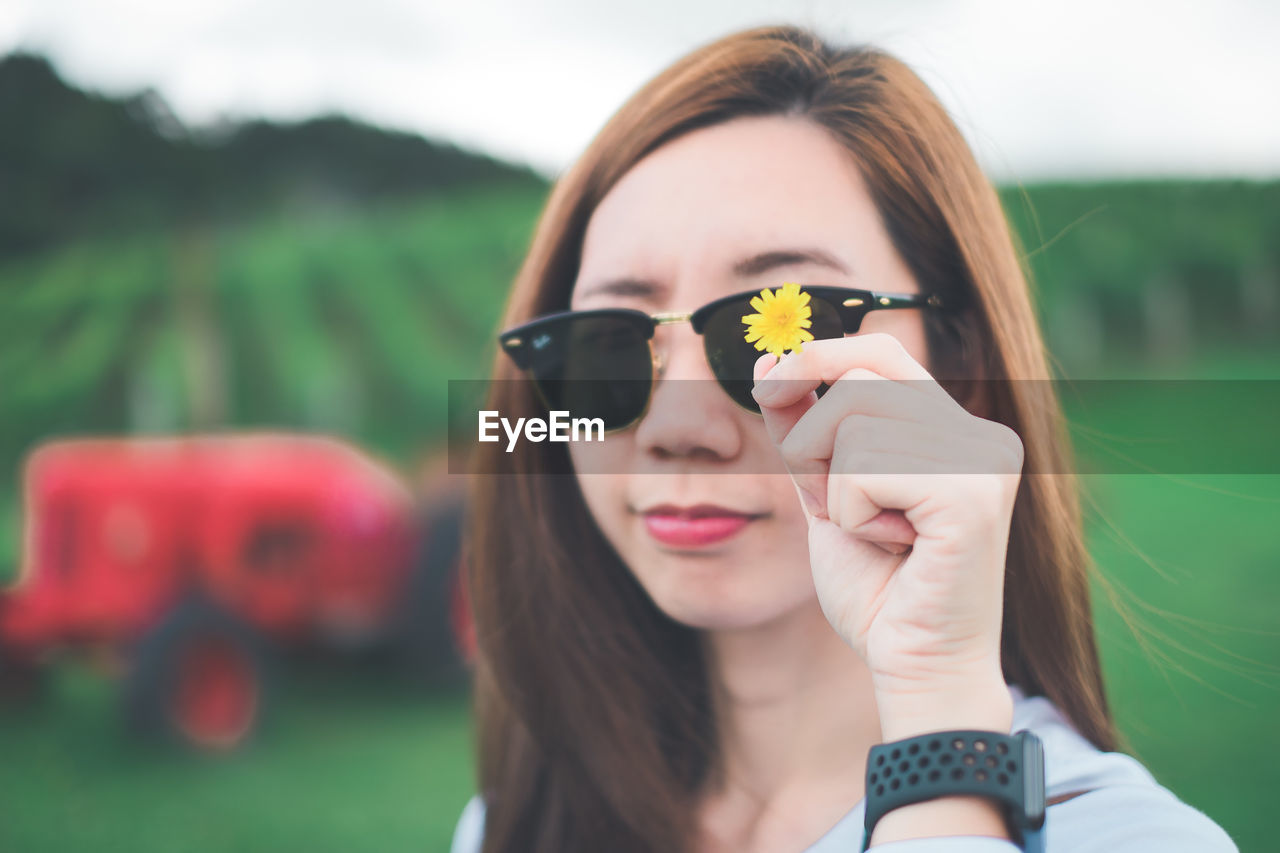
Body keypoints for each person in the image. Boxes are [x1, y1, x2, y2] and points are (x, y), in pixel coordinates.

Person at [450, 24, 1239, 852]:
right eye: (607, 344)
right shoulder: (513, 825)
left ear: (959, 368)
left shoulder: (1127, 838)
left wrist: (939, 715)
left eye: (775, 339)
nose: (677, 430)